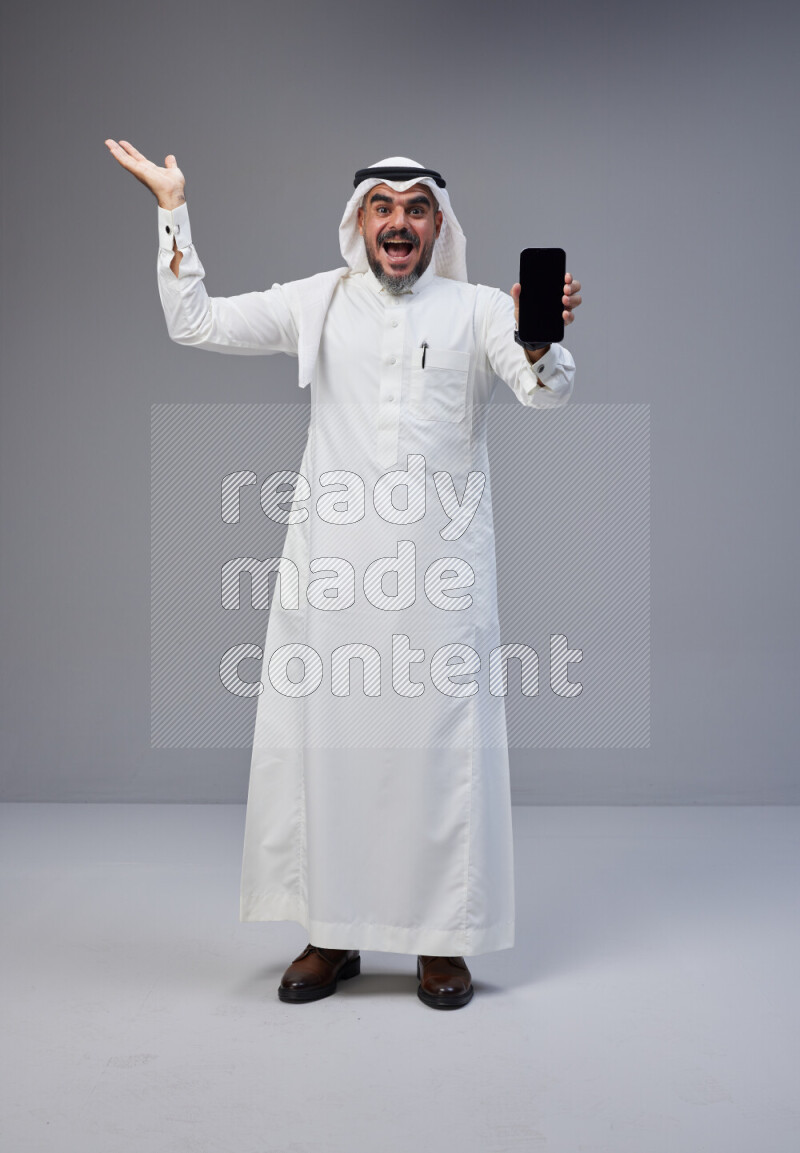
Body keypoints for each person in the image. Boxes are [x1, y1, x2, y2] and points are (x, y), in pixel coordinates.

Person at [105, 139, 582, 1010]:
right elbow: (196, 321)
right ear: (359, 219)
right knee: (332, 751)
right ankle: (332, 933)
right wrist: (172, 206)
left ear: (439, 223)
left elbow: (544, 395)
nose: (398, 222)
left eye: (415, 207)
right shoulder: (315, 301)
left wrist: (540, 339)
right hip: (333, 576)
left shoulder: (480, 310)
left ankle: (443, 941)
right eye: (382, 206)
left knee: (439, 753)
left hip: (439, 576)